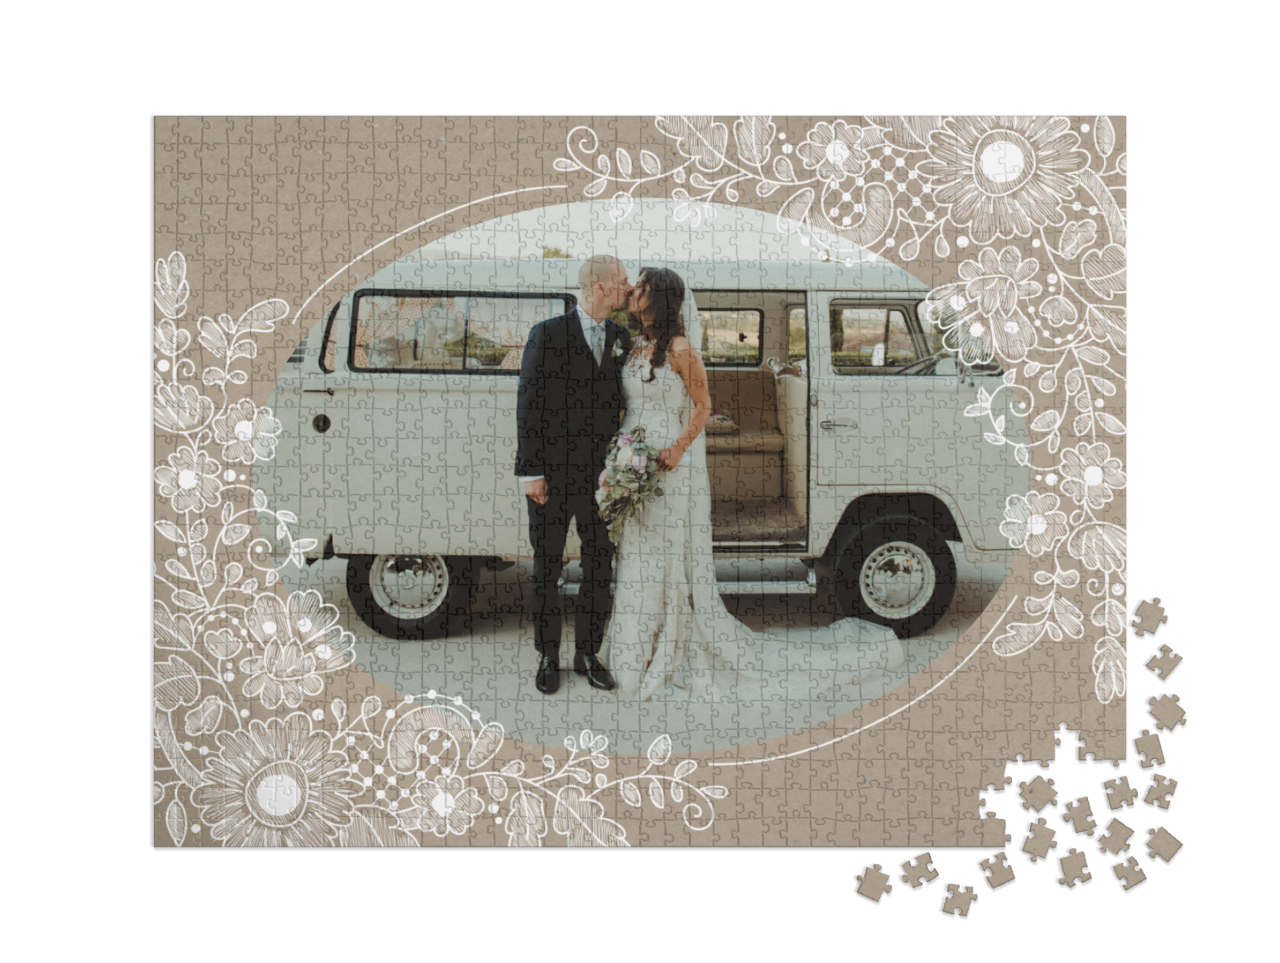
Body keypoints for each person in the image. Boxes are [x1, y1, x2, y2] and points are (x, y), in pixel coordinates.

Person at [600, 267, 905, 702]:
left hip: (668, 462)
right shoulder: (634, 346)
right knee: (637, 553)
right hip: (632, 455)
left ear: (659, 298)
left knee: (667, 556)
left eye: (642, 286)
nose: (633, 290)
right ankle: (634, 650)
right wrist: (619, 455)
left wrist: (678, 450)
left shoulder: (681, 348)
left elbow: (703, 406)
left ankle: (671, 647)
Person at [515, 255, 633, 694]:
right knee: (547, 567)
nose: (628, 288)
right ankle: (548, 656)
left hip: (603, 480)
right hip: (551, 476)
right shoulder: (546, 334)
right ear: (599, 287)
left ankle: (588, 653)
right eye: (622, 281)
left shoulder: (621, 337)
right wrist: (531, 472)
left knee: (599, 565)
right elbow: (528, 405)